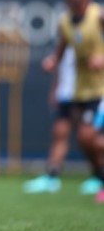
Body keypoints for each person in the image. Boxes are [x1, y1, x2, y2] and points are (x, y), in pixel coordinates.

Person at [35, 0, 104, 200]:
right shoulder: (64, 21)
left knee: (87, 136)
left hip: (101, 89)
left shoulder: (98, 15)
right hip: (80, 89)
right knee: (77, 137)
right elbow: (61, 51)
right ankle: (95, 177)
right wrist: (52, 61)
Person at [23, 46, 103, 194]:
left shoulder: (95, 28)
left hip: (91, 95)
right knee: (59, 132)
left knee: (87, 138)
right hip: (66, 94)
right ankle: (52, 176)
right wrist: (55, 88)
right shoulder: (66, 29)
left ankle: (98, 175)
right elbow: (60, 62)